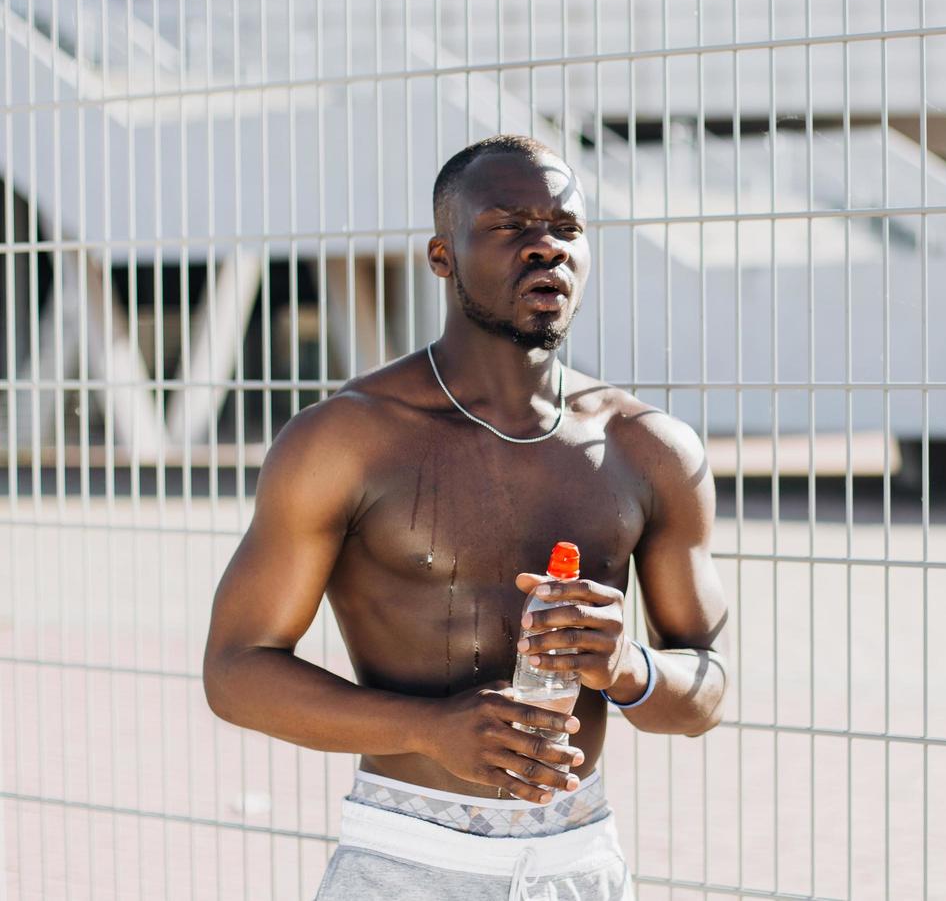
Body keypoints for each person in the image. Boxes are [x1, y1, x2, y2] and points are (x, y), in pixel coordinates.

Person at [202, 134, 729, 899]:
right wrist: (426, 729)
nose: (546, 248)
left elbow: (705, 692)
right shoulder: (348, 439)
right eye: (510, 226)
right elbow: (235, 671)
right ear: (441, 255)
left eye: (567, 229)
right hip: (408, 856)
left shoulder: (648, 448)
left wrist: (628, 667)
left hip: (579, 860)